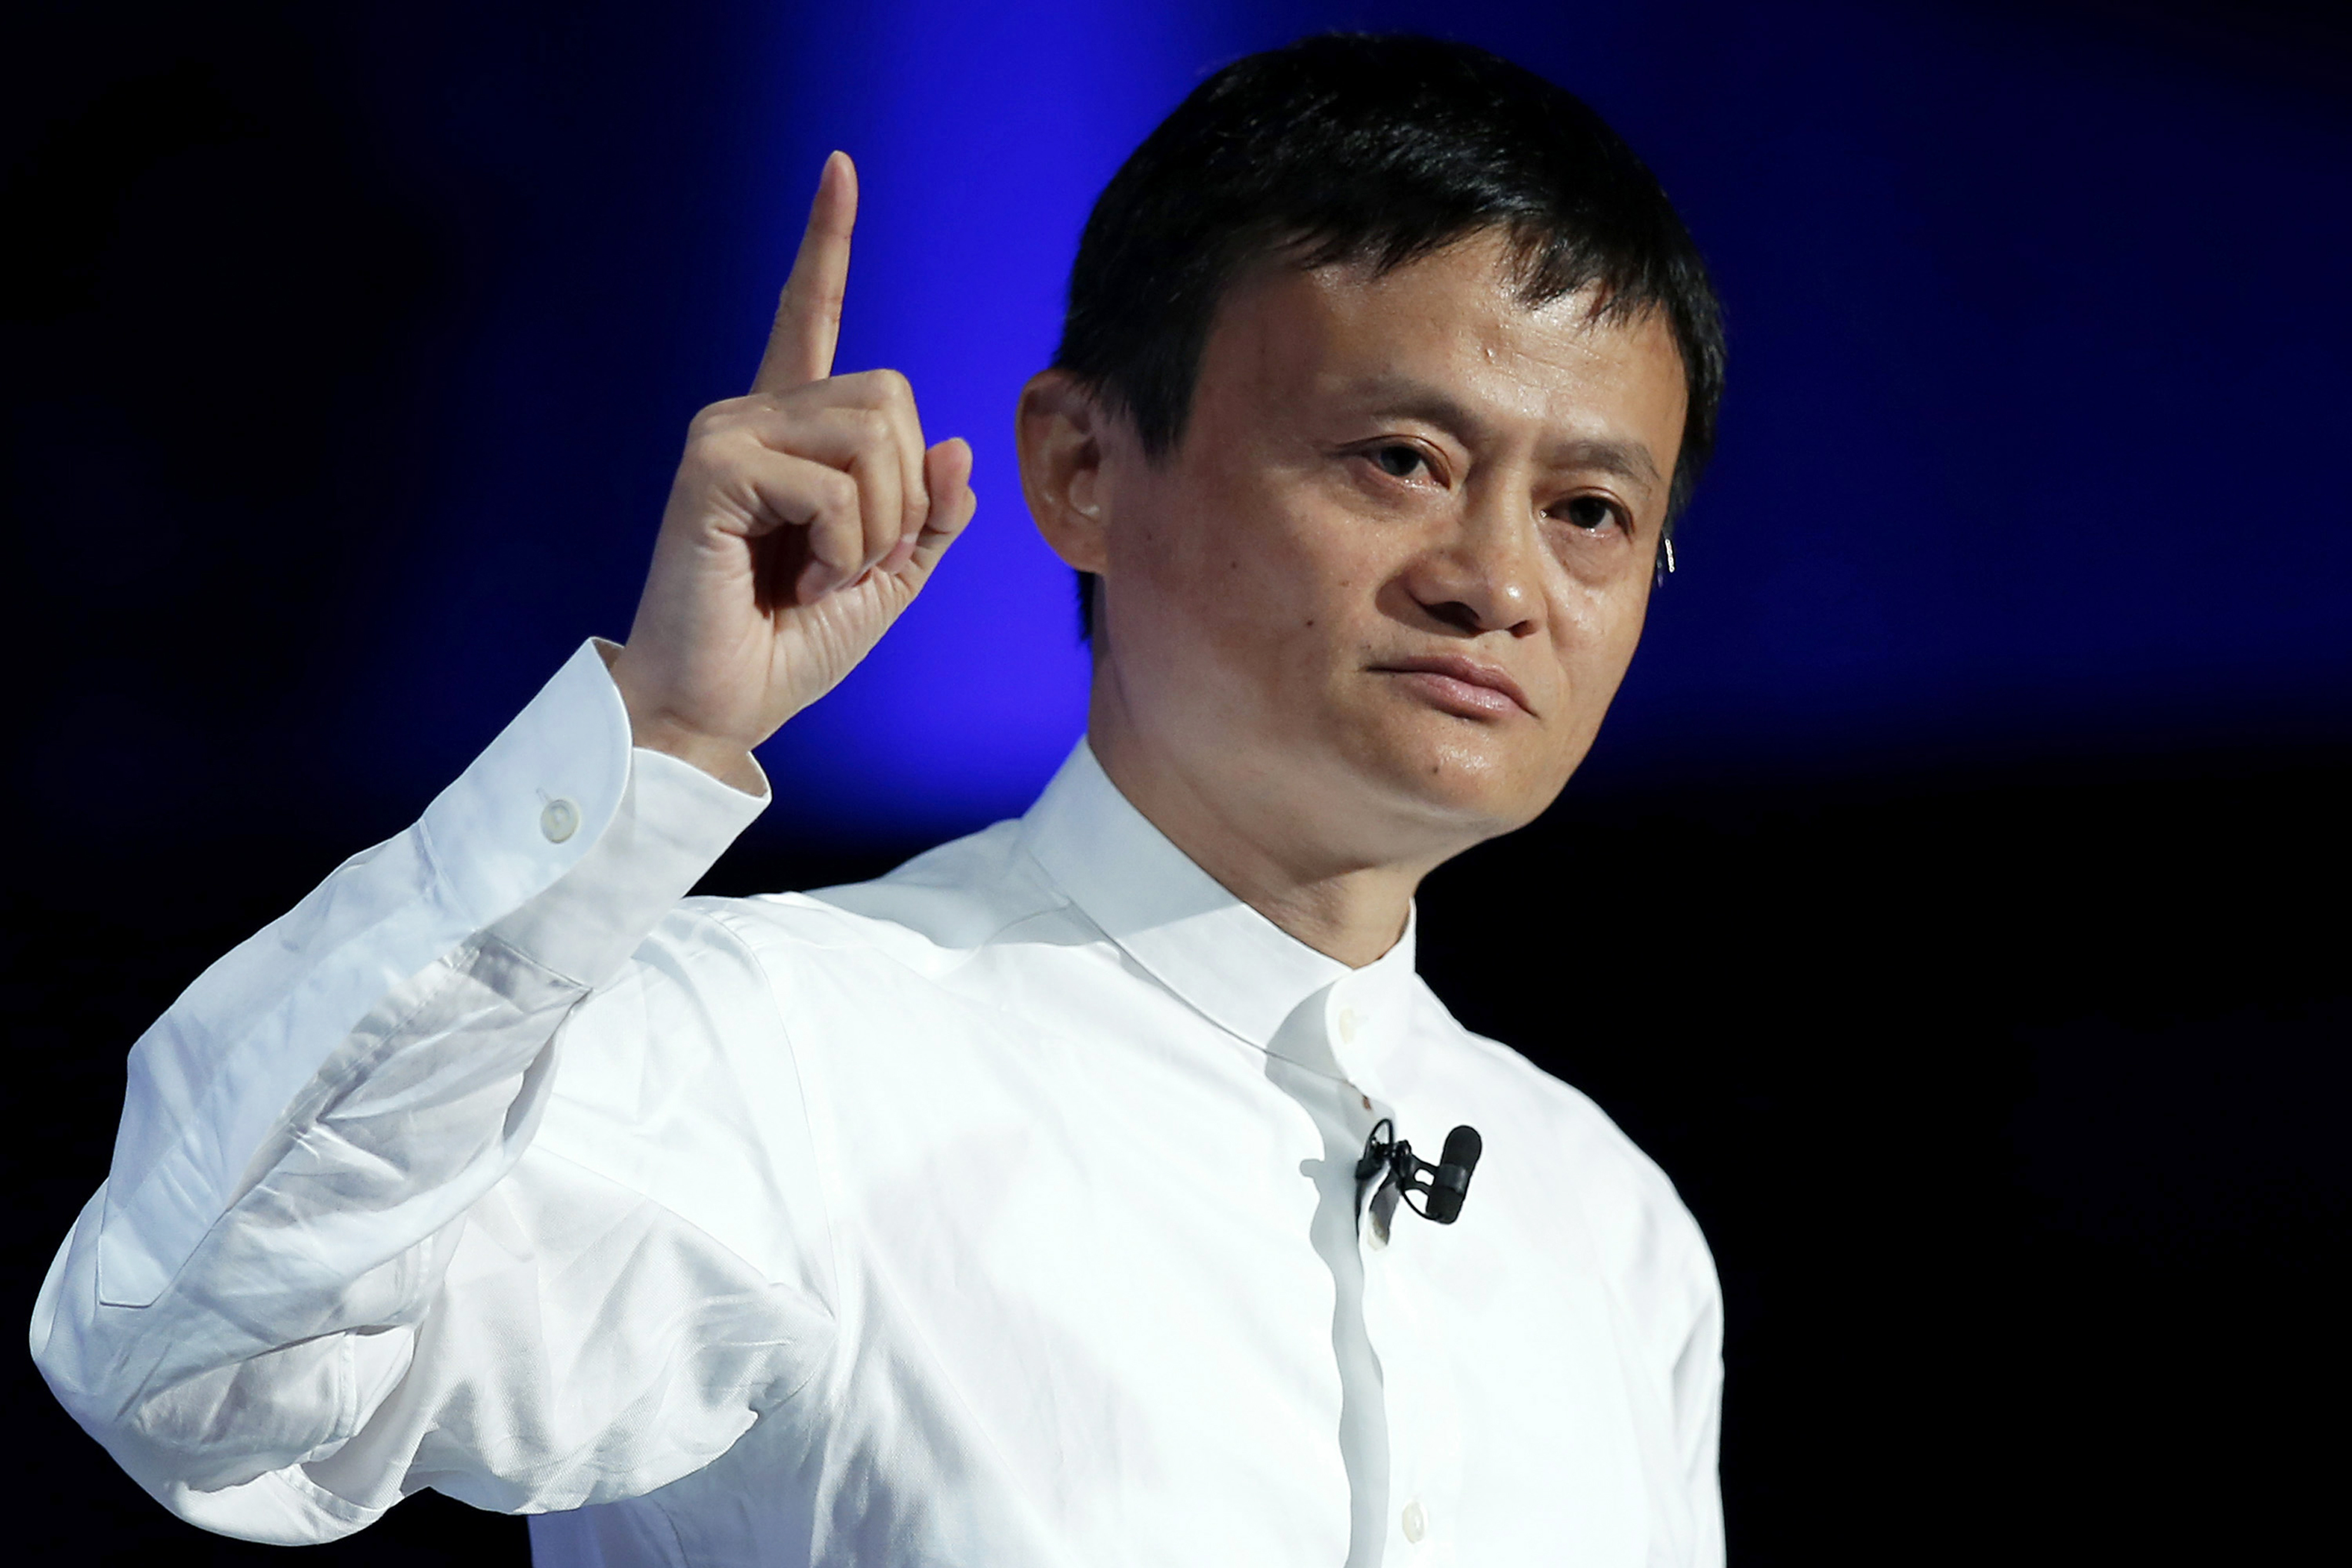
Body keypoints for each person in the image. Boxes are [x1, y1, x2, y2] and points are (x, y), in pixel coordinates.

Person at [32, 33, 1728, 1567]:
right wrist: (660, 733)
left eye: (1588, 507)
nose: (1499, 578)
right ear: (1079, 465)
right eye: (1402, 460)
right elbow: (187, 1356)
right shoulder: (772, 1054)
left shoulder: (1609, 1228)